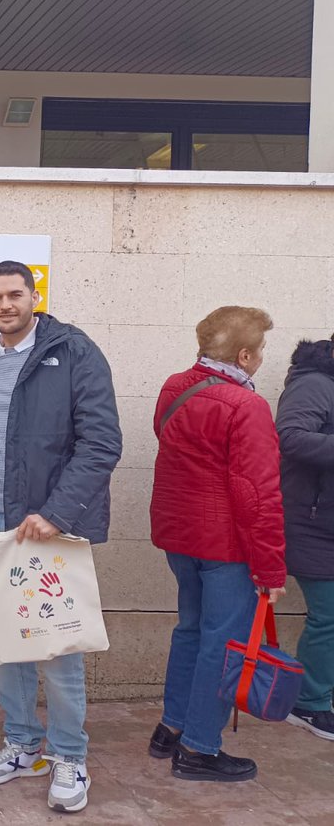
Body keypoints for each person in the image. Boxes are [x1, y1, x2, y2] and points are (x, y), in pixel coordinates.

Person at [0, 261, 121, 814]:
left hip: (47, 527)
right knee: (9, 646)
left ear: (35, 295)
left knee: (57, 646)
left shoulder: (74, 351)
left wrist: (56, 513)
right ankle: (23, 744)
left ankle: (70, 756)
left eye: (14, 294)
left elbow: (102, 443)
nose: (5, 304)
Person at [149, 306, 286, 780]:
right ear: (245, 355)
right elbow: (259, 495)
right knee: (223, 643)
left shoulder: (175, 386)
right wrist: (270, 571)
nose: (263, 357)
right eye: (261, 349)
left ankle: (171, 727)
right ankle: (200, 749)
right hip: (225, 544)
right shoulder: (247, 406)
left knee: (190, 630)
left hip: (179, 536)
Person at [274, 335, 334, 741]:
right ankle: (309, 704)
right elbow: (289, 437)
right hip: (313, 524)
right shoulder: (315, 382)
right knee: (329, 615)